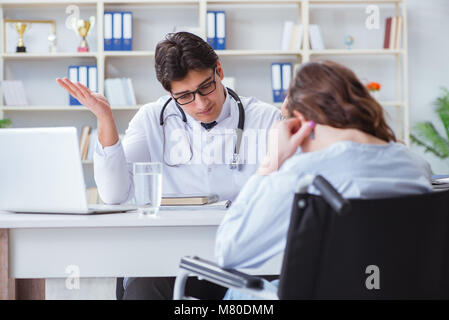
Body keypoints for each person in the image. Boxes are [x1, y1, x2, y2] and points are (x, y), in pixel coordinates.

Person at [56, 32, 281, 300]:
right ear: (168, 92)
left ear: (218, 70)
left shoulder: (266, 119)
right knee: (143, 290)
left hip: (242, 258)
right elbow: (114, 195)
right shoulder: (152, 118)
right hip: (170, 257)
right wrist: (105, 120)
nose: (201, 103)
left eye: (206, 86)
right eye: (184, 96)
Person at [214, 60, 433, 299]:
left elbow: (229, 252)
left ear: (301, 121)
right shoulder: (416, 166)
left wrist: (271, 161)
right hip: (390, 291)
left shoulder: (305, 177)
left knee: (238, 292)